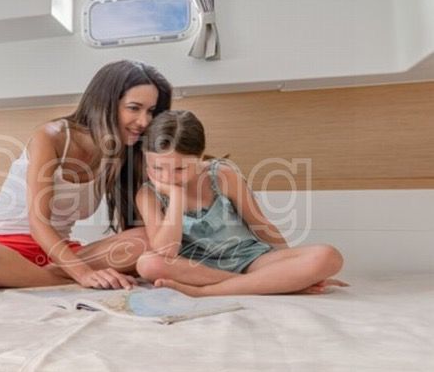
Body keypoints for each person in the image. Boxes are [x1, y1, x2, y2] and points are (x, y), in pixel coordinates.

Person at [0, 60, 172, 289]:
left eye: (151, 111)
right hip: (5, 248)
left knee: (149, 238)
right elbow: (38, 224)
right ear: (106, 103)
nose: (144, 121)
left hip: (60, 256)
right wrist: (83, 275)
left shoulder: (123, 152)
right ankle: (39, 277)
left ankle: (16, 277)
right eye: (134, 108)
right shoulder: (52, 136)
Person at [134, 109, 347, 296]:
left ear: (199, 158)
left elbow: (260, 224)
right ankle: (265, 284)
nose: (167, 177)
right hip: (198, 268)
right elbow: (166, 251)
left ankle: (206, 292)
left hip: (250, 260)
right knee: (148, 264)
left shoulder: (222, 175)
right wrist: (176, 196)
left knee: (329, 256)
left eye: (180, 169)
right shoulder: (148, 194)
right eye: (157, 168)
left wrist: (290, 264)